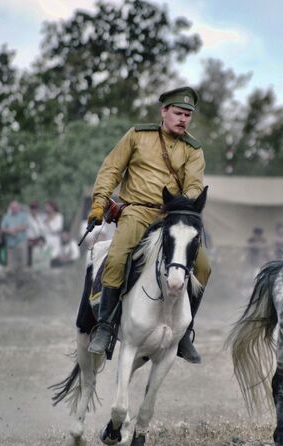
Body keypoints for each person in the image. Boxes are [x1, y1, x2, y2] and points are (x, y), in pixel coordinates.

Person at [86, 86, 209, 364]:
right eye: (178, 113)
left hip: (172, 216)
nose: (183, 119)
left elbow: (193, 186)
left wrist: (182, 210)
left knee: (203, 266)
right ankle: (105, 326)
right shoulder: (137, 135)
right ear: (163, 111)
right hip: (137, 211)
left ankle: (185, 332)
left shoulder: (193, 150)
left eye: (188, 115)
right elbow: (111, 169)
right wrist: (99, 203)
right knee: (116, 257)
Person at [0, 200, 29, 272]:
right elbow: (2, 229)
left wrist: (15, 229)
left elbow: (26, 226)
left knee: (22, 262)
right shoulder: (6, 217)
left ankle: (24, 279)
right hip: (10, 243)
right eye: (12, 207)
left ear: (18, 207)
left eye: (15, 207)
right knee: (11, 264)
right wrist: (9, 231)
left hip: (21, 241)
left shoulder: (23, 215)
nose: (14, 209)